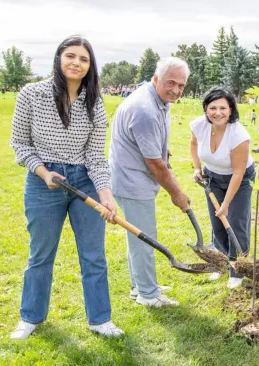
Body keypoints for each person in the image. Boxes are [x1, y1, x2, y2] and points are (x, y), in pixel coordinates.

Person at [9, 35, 123, 340]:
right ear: (59, 58)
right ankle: (30, 317)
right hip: (43, 182)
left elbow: (95, 157)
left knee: (94, 255)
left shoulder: (94, 102)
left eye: (84, 59)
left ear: (90, 66)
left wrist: (106, 194)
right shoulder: (31, 94)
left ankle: (100, 319)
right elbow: (20, 144)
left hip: (83, 179)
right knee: (41, 254)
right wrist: (44, 173)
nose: (76, 63)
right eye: (70, 56)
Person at [109, 57, 191, 307]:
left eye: (181, 85)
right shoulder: (144, 110)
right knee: (144, 238)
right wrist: (176, 193)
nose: (176, 90)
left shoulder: (158, 99)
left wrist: (163, 153)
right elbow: (155, 165)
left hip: (130, 177)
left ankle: (141, 286)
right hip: (132, 181)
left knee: (137, 236)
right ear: (156, 79)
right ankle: (148, 295)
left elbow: (155, 151)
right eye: (171, 83)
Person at [190, 87, 255, 288]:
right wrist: (197, 168)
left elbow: (238, 172)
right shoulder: (200, 125)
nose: (217, 113)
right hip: (212, 177)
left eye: (222, 108)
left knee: (235, 222)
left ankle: (237, 268)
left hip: (240, 178)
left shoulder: (238, 134)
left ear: (230, 110)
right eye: (212, 108)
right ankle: (220, 264)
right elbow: (193, 145)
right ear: (206, 109)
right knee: (217, 221)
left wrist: (226, 203)